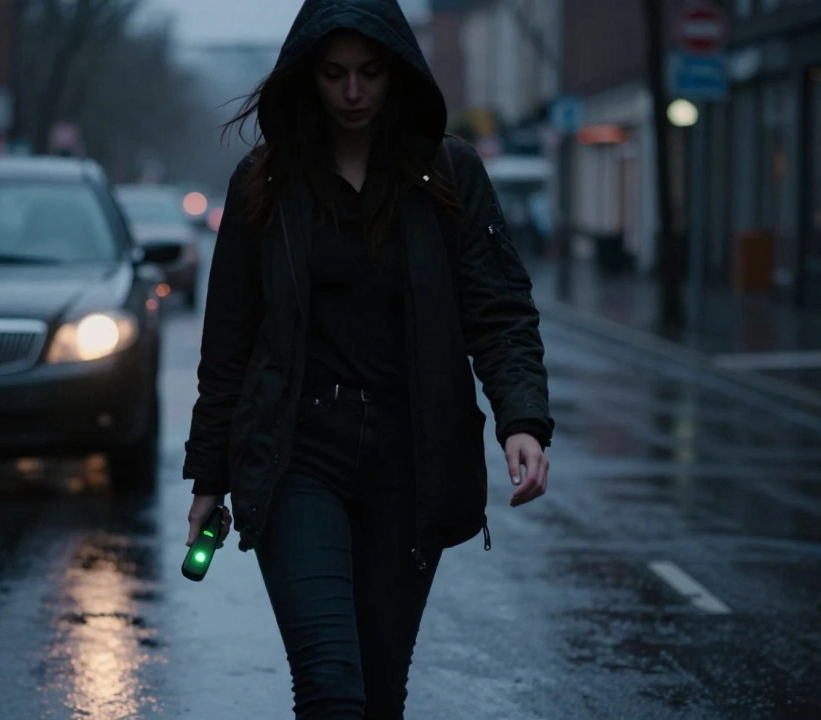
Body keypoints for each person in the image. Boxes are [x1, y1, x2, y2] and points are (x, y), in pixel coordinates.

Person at [182, 0, 554, 717]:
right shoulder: (266, 184)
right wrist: (210, 478)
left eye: (369, 73)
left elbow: (500, 310)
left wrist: (523, 420)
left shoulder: (450, 174)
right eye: (334, 74)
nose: (353, 92)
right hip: (297, 457)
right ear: (305, 77)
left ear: (399, 73)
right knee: (330, 687)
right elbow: (226, 345)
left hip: (409, 462)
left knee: (379, 693)